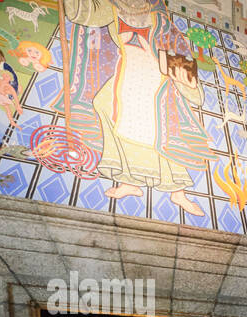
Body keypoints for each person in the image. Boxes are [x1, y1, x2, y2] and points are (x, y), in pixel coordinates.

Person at [65, 0, 212, 215]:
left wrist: (188, 82)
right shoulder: (113, 8)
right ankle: (128, 181)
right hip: (126, 67)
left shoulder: (159, 18)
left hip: (152, 72)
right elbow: (84, 13)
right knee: (104, 104)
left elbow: (178, 50)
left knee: (159, 125)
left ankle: (178, 191)